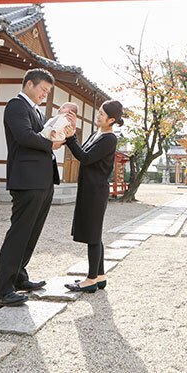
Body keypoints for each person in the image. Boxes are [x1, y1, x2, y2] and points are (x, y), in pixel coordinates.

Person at [0, 68, 65, 308]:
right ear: (29, 84)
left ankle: (19, 277)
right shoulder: (16, 106)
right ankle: (2, 290)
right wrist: (50, 143)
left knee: (32, 232)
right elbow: (24, 136)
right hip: (26, 179)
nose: (45, 94)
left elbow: (40, 134)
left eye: (47, 91)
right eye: (43, 89)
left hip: (41, 179)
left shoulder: (36, 111)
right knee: (19, 233)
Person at [63, 100, 124, 293]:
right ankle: (100, 276)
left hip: (96, 191)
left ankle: (90, 280)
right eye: (98, 112)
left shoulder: (109, 139)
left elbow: (86, 158)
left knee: (93, 235)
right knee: (94, 234)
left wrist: (71, 138)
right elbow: (84, 153)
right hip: (89, 189)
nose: (98, 116)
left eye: (102, 114)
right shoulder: (96, 133)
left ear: (111, 119)